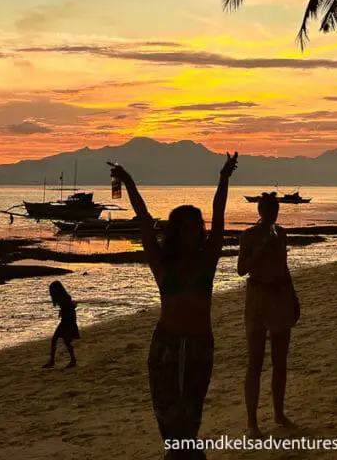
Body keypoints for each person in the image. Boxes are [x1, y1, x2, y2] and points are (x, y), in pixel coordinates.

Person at [111, 152, 238, 458]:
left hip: (198, 345)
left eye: (196, 226)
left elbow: (219, 217)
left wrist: (223, 178)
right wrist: (127, 181)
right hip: (166, 345)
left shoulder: (207, 260)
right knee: (169, 420)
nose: (192, 231)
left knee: (191, 415)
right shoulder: (161, 262)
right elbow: (143, 219)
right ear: (175, 231)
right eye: (185, 227)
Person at [238, 192, 300, 438]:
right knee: (255, 362)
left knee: (280, 360)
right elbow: (242, 269)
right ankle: (252, 422)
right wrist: (261, 248)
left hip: (280, 295)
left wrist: (293, 297)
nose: (272, 214)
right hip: (257, 298)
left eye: (275, 210)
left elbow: (284, 267)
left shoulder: (281, 233)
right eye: (268, 210)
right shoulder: (249, 235)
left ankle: (279, 412)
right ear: (260, 211)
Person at [43, 280, 79, 369]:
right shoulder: (63, 297)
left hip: (67, 321)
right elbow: (71, 306)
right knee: (64, 341)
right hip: (67, 320)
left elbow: (71, 307)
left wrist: (63, 313)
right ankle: (70, 360)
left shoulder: (64, 298)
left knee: (58, 339)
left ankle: (53, 361)